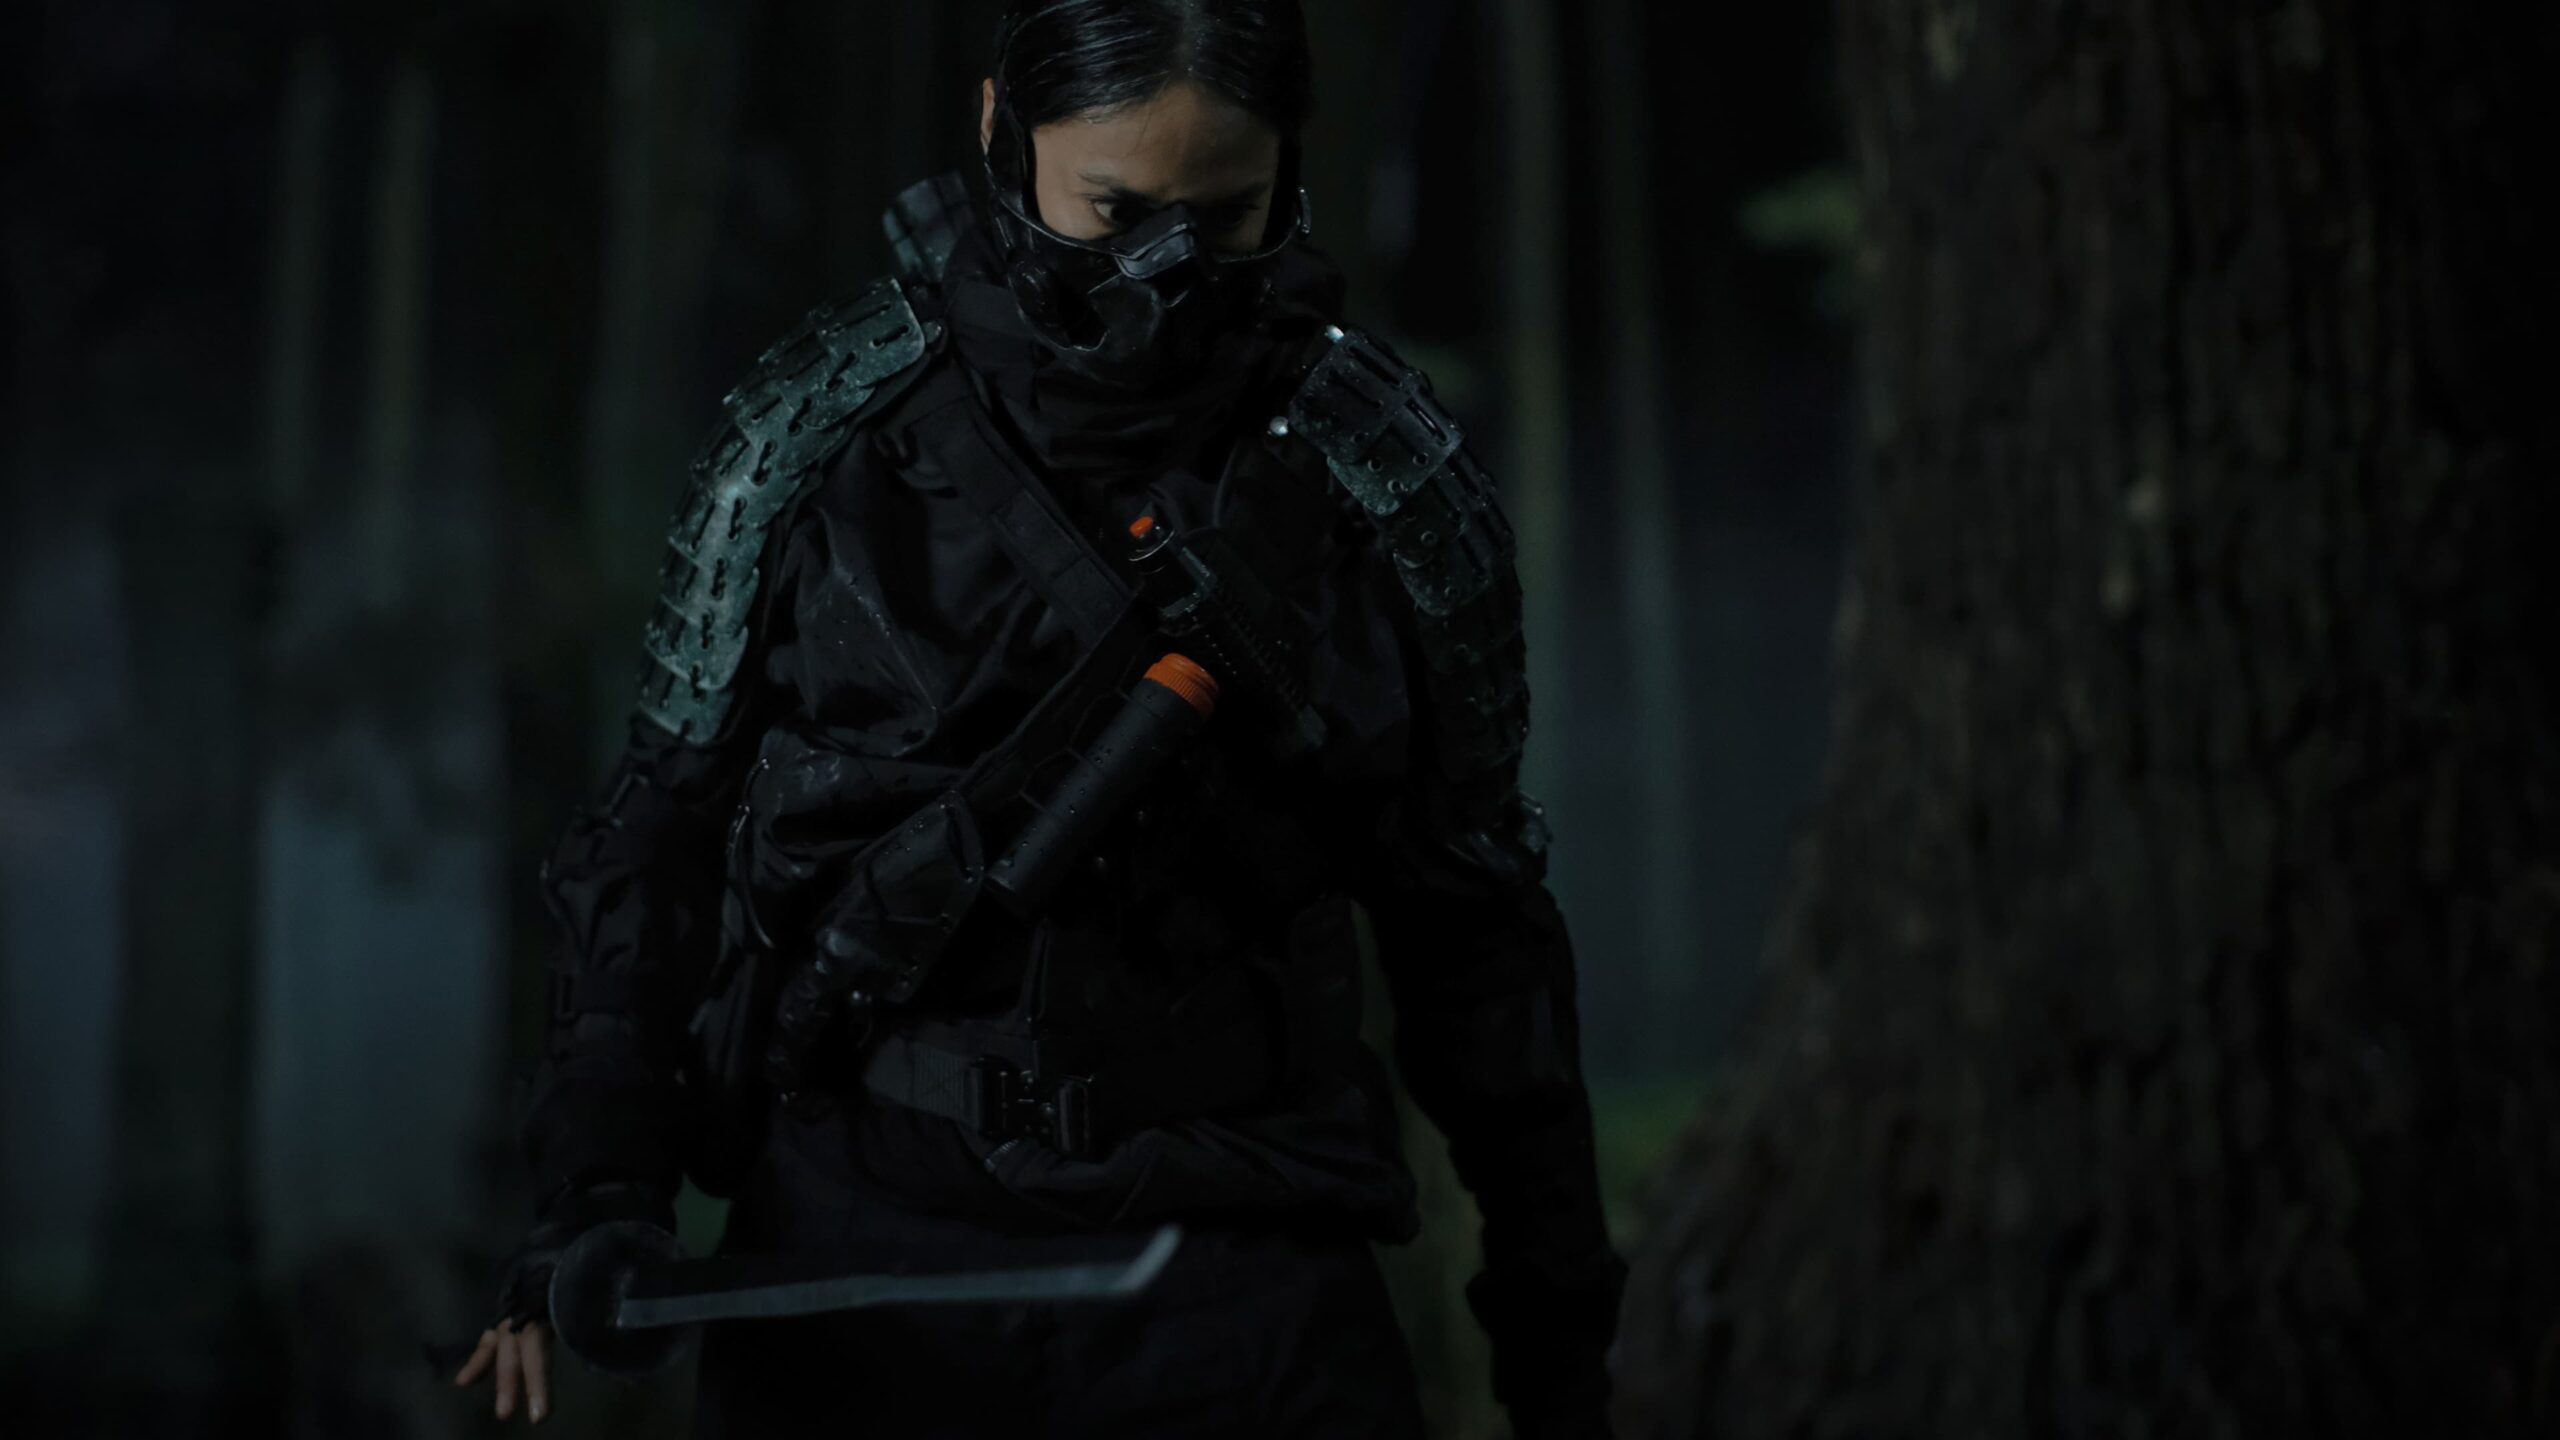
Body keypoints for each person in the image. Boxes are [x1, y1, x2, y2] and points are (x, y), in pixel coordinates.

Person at [451, 1, 1626, 1434]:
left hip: (1241, 1262)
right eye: (1114, 210)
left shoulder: (1377, 478)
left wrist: (1559, 1343)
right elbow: (653, 843)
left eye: (1224, 216)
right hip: (859, 1253)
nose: (1164, 278)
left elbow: (1479, 936)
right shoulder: (815, 444)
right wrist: (597, 1190)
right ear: (1002, 131)